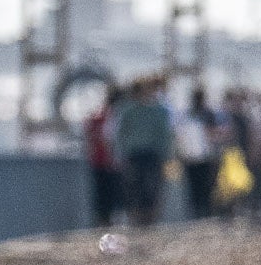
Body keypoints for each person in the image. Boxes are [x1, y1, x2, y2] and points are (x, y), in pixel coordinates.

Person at [113, 77, 174, 227]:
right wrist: (120, 153)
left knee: (152, 188)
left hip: (153, 155)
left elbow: (165, 134)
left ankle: (149, 220)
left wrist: (167, 155)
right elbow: (120, 133)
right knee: (134, 188)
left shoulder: (159, 111)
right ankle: (137, 220)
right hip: (134, 154)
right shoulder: (127, 110)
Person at [175, 86, 222, 220]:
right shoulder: (194, 114)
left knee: (203, 185)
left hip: (201, 155)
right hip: (197, 156)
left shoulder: (202, 114)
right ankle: (201, 212)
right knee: (200, 185)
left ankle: (203, 212)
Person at [82, 92, 122, 226]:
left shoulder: (96, 119)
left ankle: (104, 222)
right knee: (109, 195)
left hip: (99, 162)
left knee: (102, 196)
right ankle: (106, 223)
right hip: (109, 163)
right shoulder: (113, 118)